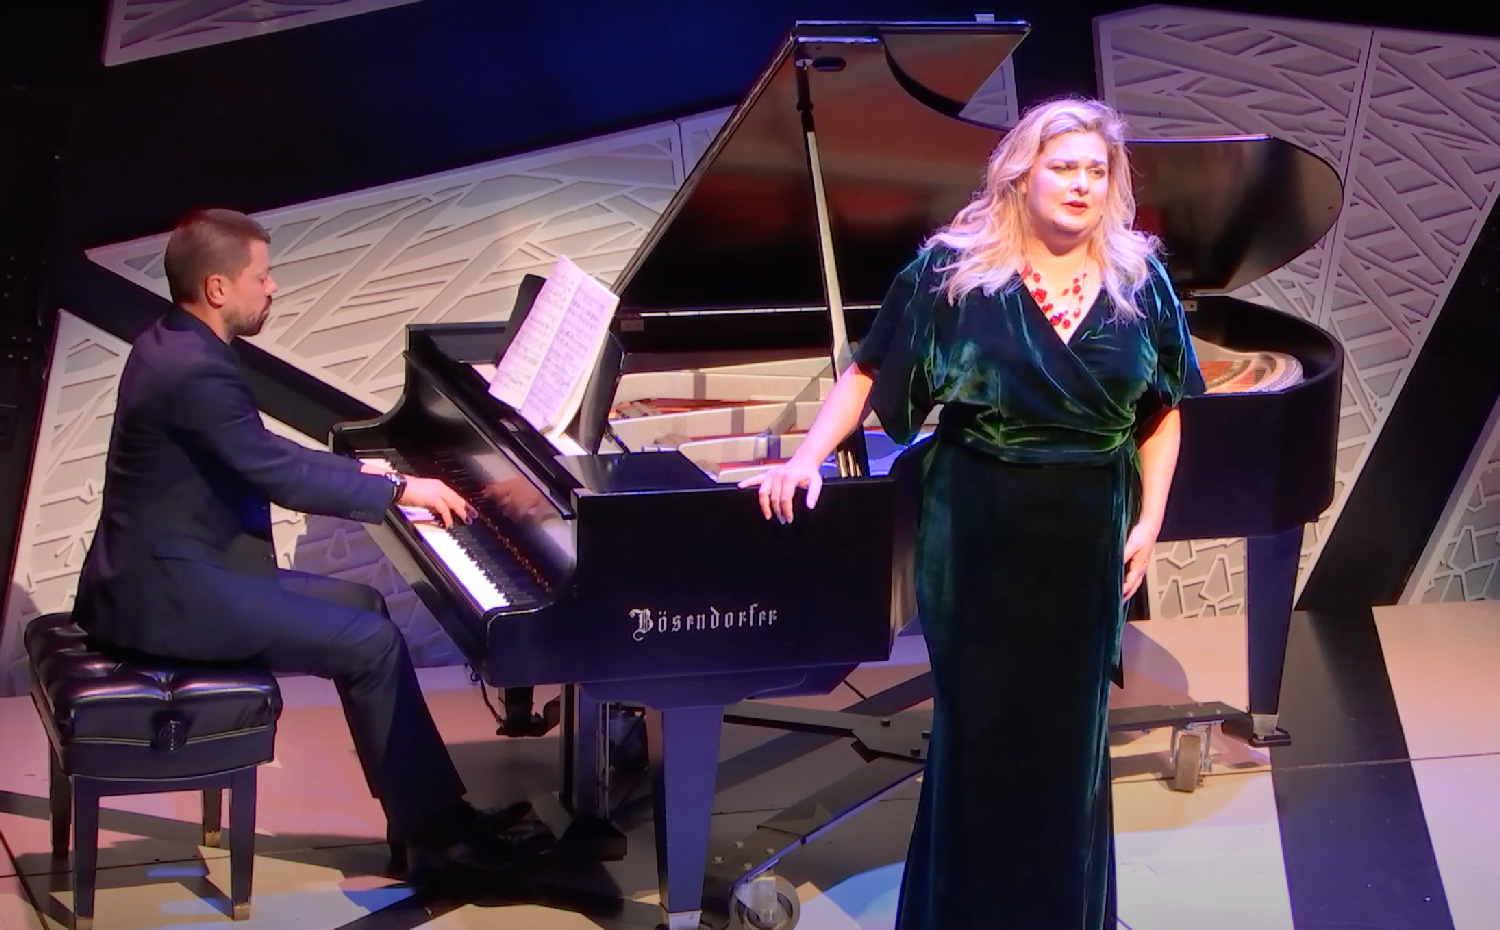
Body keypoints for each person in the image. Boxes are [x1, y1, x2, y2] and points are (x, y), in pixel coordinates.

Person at [741, 98, 1204, 928]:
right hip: (977, 528)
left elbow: (1163, 411)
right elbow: (869, 369)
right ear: (1021, 173)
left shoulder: (1142, 279)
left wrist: (1150, 519)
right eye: (1064, 168)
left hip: (1088, 529)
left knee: (1070, 750)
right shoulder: (951, 271)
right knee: (980, 742)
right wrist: (807, 456)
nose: (1082, 185)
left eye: (1097, 172)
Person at [71, 208, 550, 885]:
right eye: (261, 277)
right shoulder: (194, 370)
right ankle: (438, 839)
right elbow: (274, 475)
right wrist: (397, 493)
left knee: (365, 607)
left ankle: (425, 817)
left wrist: (364, 472)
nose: (272, 289)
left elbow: (256, 449)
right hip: (174, 598)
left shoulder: (174, 342)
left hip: (176, 574)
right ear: (217, 288)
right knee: (373, 645)